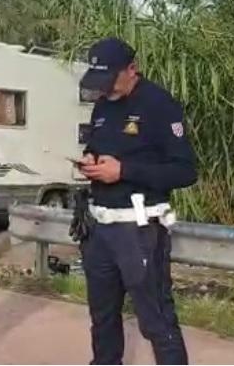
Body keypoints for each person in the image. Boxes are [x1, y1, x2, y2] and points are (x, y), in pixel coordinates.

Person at [73, 37, 198, 365]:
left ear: (132, 69)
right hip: (99, 228)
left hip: (139, 230)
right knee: (102, 318)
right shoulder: (103, 105)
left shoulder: (159, 104)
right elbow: (101, 149)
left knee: (156, 320)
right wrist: (91, 162)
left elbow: (185, 171)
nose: (106, 90)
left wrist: (124, 170)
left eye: (111, 80)